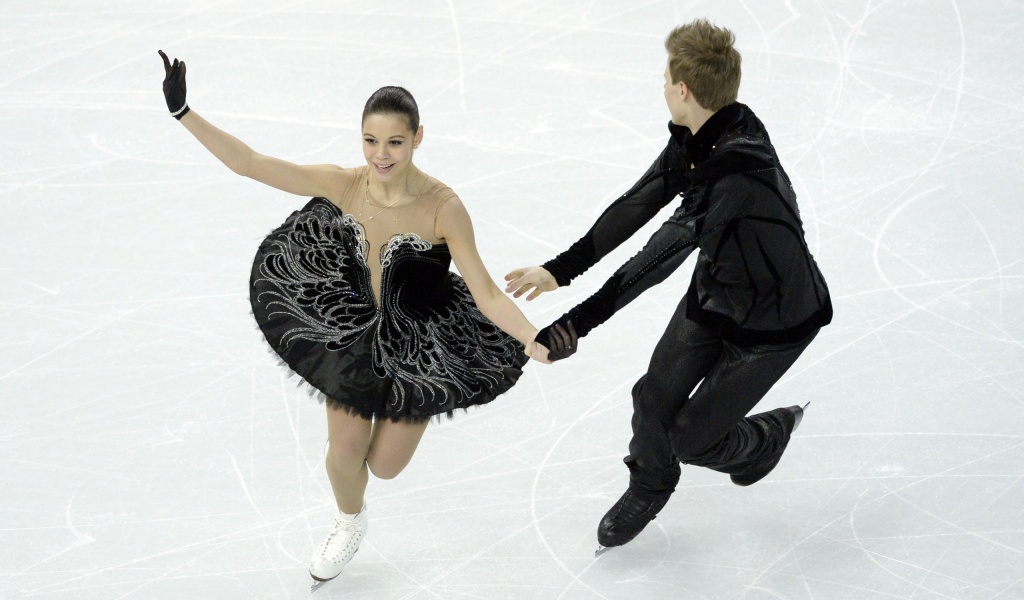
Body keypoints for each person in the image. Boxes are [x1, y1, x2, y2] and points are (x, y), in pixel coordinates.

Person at [157, 51, 576, 585]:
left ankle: (368, 460)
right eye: (371, 141)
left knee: (385, 466)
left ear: (418, 137)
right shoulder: (346, 184)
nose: (381, 155)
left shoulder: (442, 207)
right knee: (344, 456)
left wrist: (535, 338)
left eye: (395, 142)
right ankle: (348, 520)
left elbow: (488, 294)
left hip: (423, 341)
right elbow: (252, 163)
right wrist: (184, 112)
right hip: (355, 329)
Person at [504, 19, 832, 552]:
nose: (661, 87)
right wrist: (560, 269)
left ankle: (761, 440)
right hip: (717, 295)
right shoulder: (707, 134)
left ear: (683, 89)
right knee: (651, 399)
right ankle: (650, 484)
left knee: (691, 437)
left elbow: (654, 262)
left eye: (665, 79)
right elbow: (638, 203)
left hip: (777, 321)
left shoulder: (733, 171)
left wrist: (574, 324)